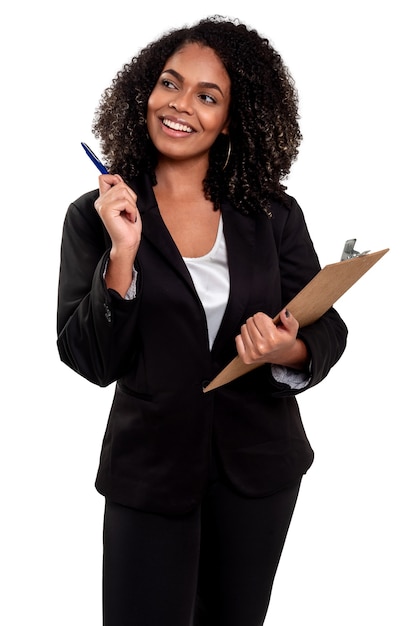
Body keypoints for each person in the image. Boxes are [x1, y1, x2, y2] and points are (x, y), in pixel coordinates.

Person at [57, 15, 348, 626]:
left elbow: (327, 327)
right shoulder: (97, 215)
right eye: (170, 84)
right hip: (151, 471)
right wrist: (124, 255)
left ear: (231, 118)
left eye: (207, 95)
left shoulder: (272, 214)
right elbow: (89, 360)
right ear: (146, 91)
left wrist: (286, 351)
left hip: (259, 470)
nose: (181, 105)